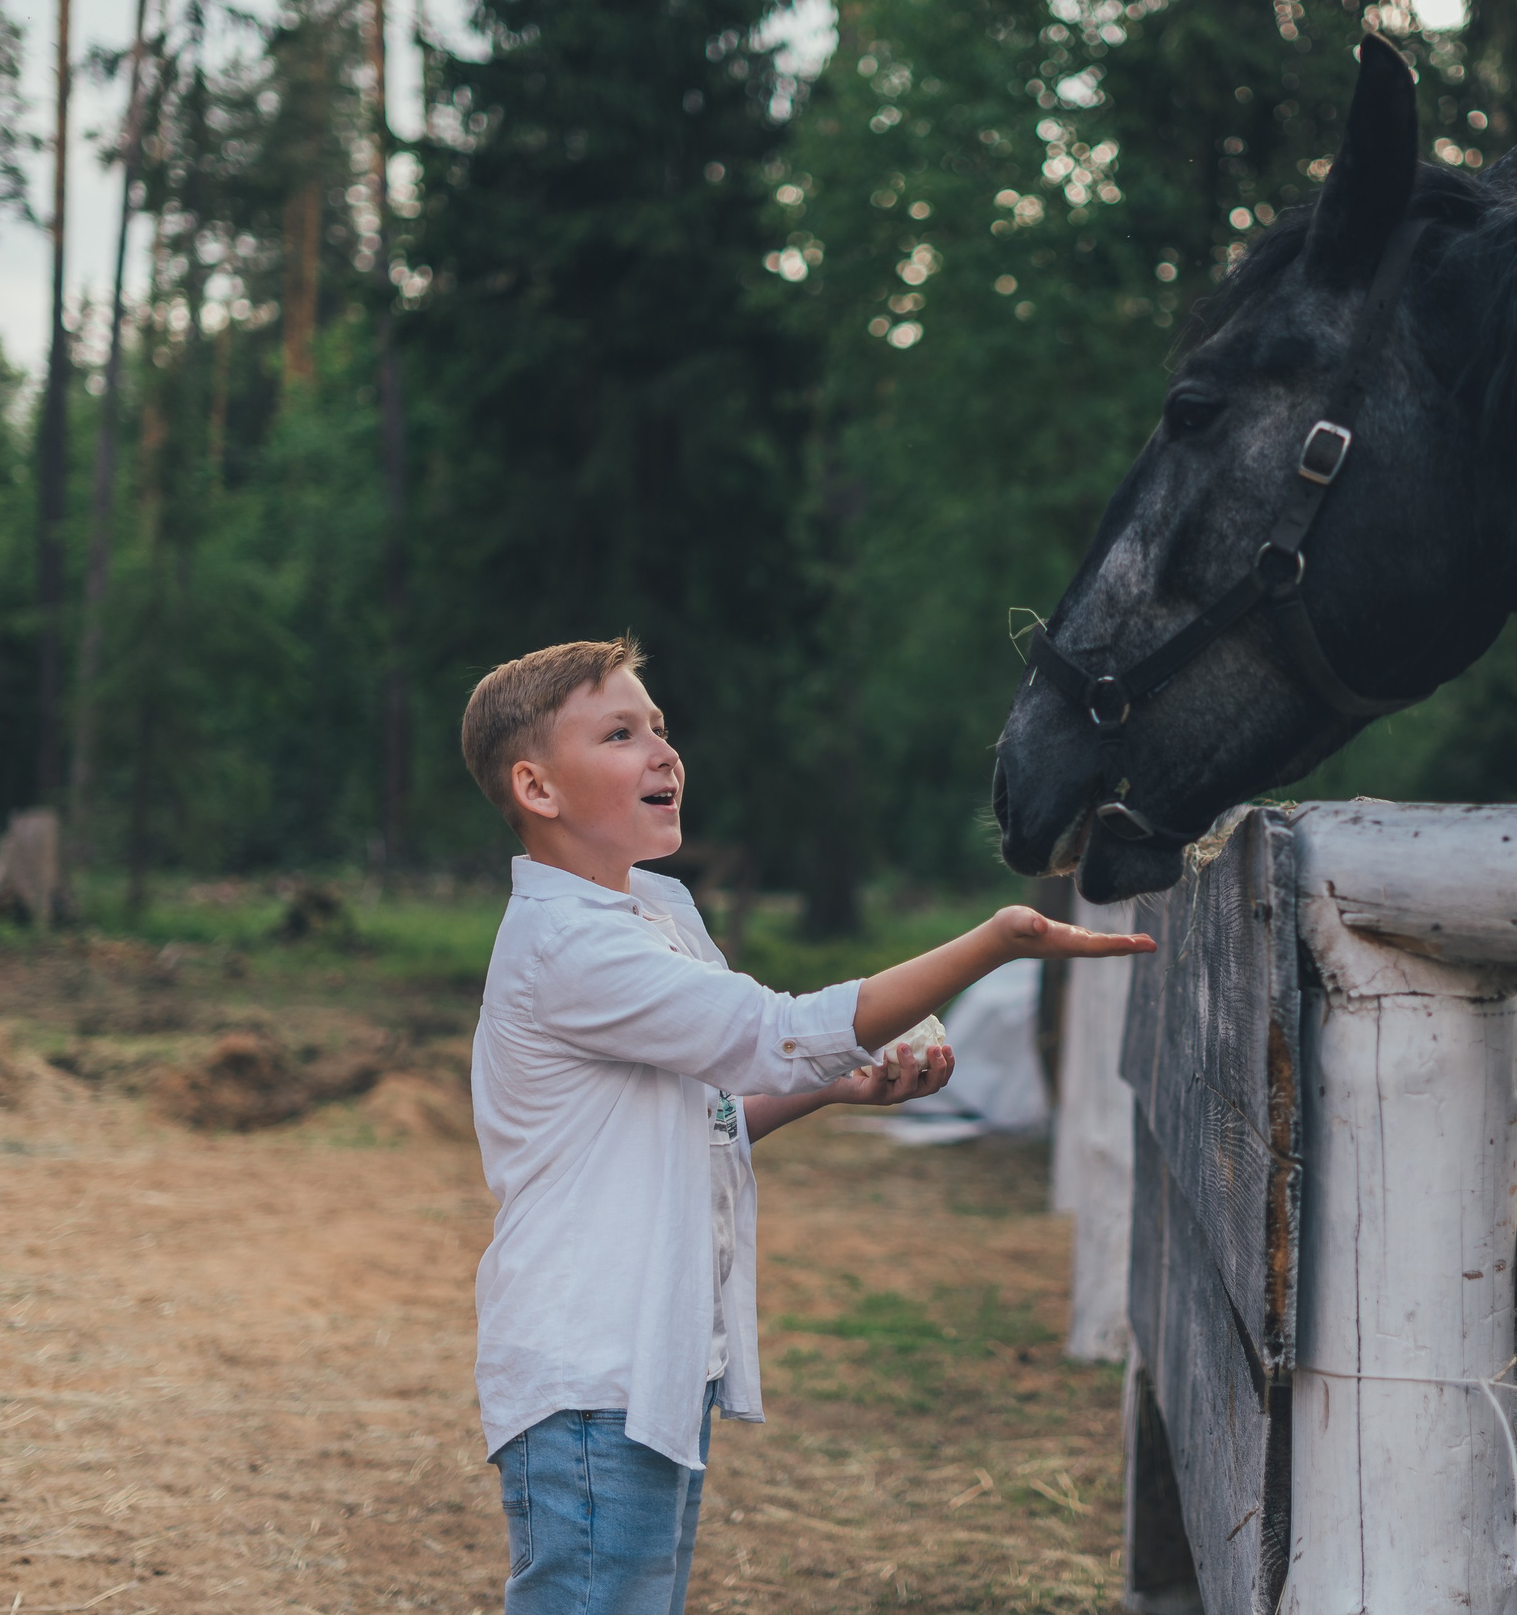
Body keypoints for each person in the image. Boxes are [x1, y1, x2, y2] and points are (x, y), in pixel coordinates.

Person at [457, 637, 1154, 1615]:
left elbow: (706, 1113)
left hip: (647, 1364)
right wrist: (997, 942)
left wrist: (834, 1088)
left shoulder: (651, 911)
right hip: (590, 1373)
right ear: (536, 786)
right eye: (621, 734)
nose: (663, 753)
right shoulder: (569, 945)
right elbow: (774, 1033)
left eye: (658, 727)